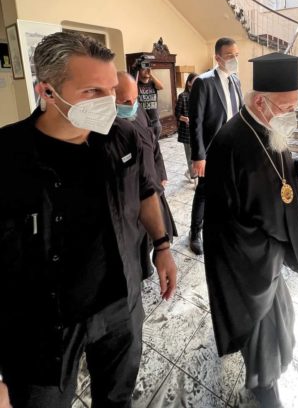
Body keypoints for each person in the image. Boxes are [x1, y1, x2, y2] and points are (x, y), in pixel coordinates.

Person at [0, 31, 176, 408]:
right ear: (47, 92)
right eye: (92, 91)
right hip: (43, 327)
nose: (108, 102)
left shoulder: (122, 137)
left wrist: (162, 246)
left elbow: (145, 191)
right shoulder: (8, 157)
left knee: (117, 398)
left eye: (110, 89)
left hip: (120, 304)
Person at [203, 52, 298, 408]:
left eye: (295, 106)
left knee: (280, 317)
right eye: (286, 107)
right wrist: (282, 233)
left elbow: (278, 177)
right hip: (245, 258)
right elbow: (231, 212)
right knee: (261, 328)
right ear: (260, 102)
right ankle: (264, 386)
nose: (292, 114)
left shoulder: (270, 127)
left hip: (267, 250)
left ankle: (270, 374)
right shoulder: (229, 142)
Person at [188, 37, 243, 254]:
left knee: (230, 188)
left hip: (233, 148)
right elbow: (196, 121)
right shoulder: (204, 82)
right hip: (211, 149)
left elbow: (239, 113)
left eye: (236, 55)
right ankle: (195, 232)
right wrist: (198, 156)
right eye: (230, 56)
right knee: (203, 191)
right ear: (218, 58)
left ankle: (225, 225)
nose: (234, 59)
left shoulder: (236, 80)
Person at [115, 71, 178, 246]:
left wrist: (161, 172)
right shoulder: (108, 129)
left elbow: (154, 143)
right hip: (132, 199)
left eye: (135, 99)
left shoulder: (139, 110)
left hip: (154, 183)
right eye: (125, 102)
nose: (132, 105)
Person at [132, 54, 164, 140]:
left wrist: (151, 74)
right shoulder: (136, 84)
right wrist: (136, 72)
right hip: (143, 121)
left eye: (148, 68)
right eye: (143, 69)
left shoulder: (153, 83)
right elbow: (132, 90)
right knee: (146, 143)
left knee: (155, 143)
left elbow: (161, 87)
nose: (146, 71)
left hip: (155, 121)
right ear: (139, 71)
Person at [175, 72, 198, 183]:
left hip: (198, 130)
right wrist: (185, 118)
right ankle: (195, 181)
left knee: (199, 155)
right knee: (190, 157)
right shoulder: (182, 96)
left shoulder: (200, 94)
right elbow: (177, 114)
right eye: (195, 80)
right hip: (187, 131)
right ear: (189, 83)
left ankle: (189, 172)